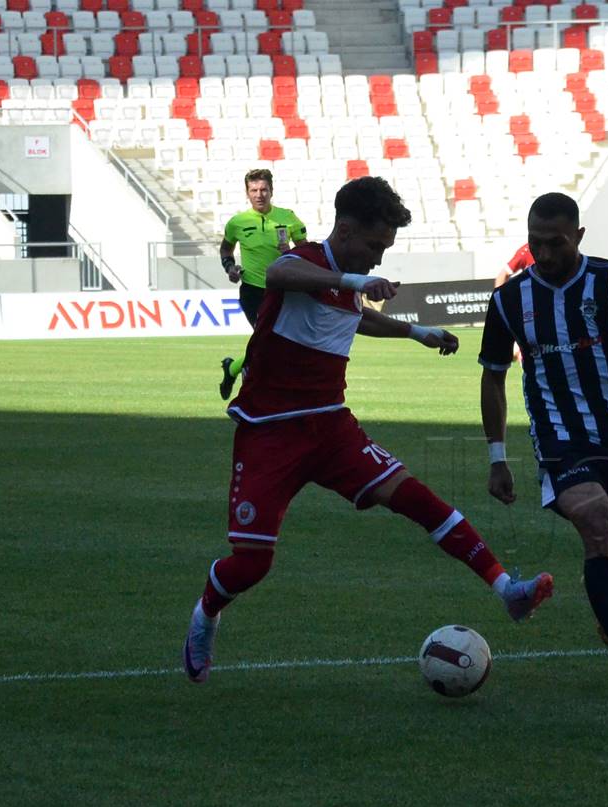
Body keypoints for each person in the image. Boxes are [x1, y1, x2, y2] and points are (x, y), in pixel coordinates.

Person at [183, 177, 555, 684]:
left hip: (332, 428)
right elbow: (277, 272)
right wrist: (354, 282)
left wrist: (416, 332)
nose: (379, 258)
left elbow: (355, 317)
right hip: (269, 433)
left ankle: (506, 588)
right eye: (375, 245)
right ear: (345, 230)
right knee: (251, 564)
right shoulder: (306, 261)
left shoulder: (344, 282)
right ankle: (207, 612)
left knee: (416, 497)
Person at [478, 192, 608, 698]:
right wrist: (497, 457)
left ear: (579, 237)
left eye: (556, 243)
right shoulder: (509, 300)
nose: (544, 254)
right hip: (560, 441)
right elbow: (494, 376)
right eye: (535, 243)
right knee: (596, 523)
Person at [218, 168, 308, 401]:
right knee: (269, 340)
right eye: (254, 190)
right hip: (253, 291)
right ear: (247, 193)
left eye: (263, 189)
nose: (259, 195)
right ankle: (264, 391)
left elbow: (307, 251)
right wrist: (230, 268)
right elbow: (226, 249)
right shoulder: (237, 222)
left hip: (285, 291)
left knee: (276, 343)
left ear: (271, 190)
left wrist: (293, 251)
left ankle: (232, 368)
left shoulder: (288, 217)